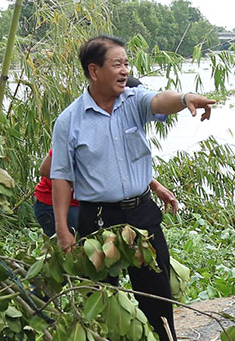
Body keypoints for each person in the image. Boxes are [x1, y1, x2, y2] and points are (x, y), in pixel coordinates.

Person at [50, 35, 213, 341]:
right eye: (118, 64)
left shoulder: (134, 101)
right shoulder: (69, 121)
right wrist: (64, 231)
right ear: (94, 71)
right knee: (101, 298)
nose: (125, 70)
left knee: (156, 295)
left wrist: (184, 98)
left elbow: (160, 101)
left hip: (141, 213)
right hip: (98, 223)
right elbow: (61, 178)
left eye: (127, 63)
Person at [32, 75, 180, 238]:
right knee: (80, 253)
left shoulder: (121, 124)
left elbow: (119, 168)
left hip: (90, 205)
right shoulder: (84, 124)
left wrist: (156, 186)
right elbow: (46, 169)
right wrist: (91, 186)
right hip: (55, 204)